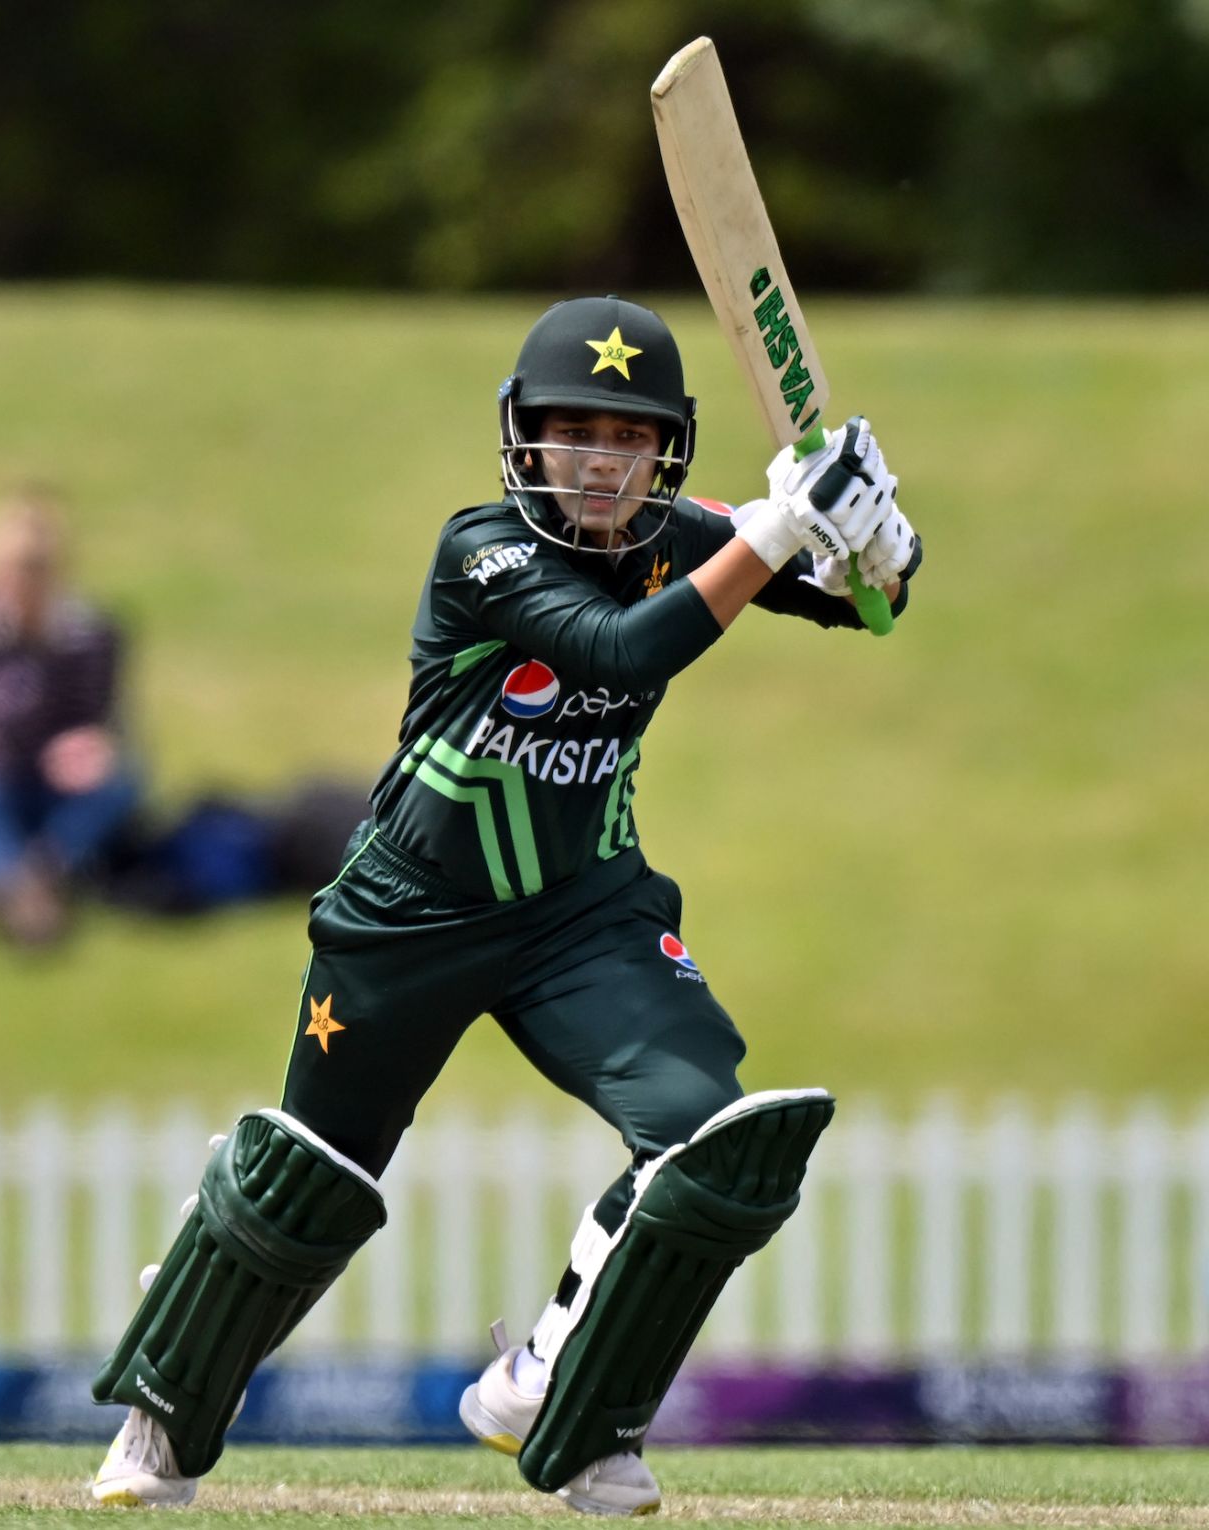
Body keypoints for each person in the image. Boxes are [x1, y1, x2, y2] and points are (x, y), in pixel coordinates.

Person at [89, 297, 922, 1513]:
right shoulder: (480, 549)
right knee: (307, 1185)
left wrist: (874, 541)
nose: (596, 462)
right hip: (408, 917)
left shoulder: (681, 533)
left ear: (663, 452)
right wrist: (780, 526)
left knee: (711, 1142)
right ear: (519, 441)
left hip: (581, 910)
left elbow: (865, 603)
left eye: (625, 439)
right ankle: (159, 1426)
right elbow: (624, 652)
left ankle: (556, 1396)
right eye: (569, 433)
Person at [0, 489, 141, 944]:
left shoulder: (90, 633)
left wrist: (92, 749)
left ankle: (41, 872)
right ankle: (16, 886)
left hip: (56, 783)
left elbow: (105, 719)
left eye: (35, 572)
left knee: (120, 786)